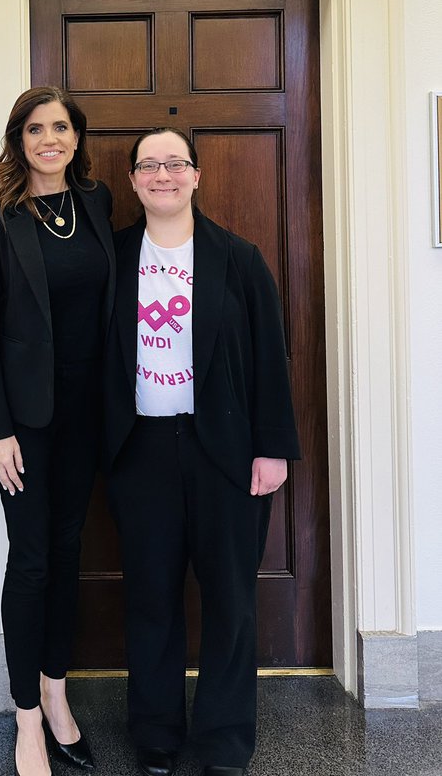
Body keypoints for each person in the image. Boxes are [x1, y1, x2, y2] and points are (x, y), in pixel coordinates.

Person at [103, 128, 300, 776]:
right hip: (142, 453)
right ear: (132, 181)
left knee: (231, 602)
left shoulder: (237, 258)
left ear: (196, 175)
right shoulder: (114, 258)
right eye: (149, 165)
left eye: (175, 163)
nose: (163, 174)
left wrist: (272, 450)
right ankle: (156, 735)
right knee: (151, 597)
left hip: (226, 452)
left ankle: (221, 742)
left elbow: (271, 359)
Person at [0, 86, 115, 776]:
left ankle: (58, 692)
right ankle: (28, 719)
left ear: (76, 138)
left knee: (67, 547)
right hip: (25, 424)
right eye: (35, 128)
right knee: (30, 558)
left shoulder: (98, 203)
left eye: (60, 127)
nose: (48, 138)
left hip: (90, 417)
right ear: (18, 140)